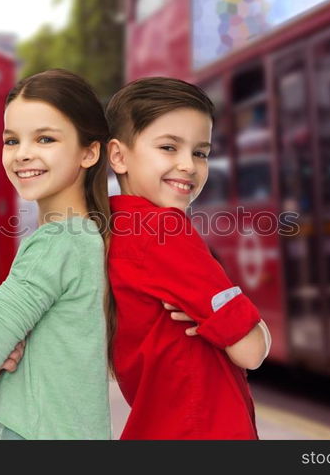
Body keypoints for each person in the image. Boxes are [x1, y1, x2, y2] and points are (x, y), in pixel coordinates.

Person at [0, 69, 112, 440]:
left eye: (45, 138)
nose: (22, 154)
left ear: (89, 152)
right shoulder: (90, 239)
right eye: (11, 140)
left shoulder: (54, 244)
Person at [105, 77, 272, 439]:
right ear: (118, 156)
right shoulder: (165, 230)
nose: (189, 166)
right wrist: (257, 328)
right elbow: (251, 350)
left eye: (200, 152)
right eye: (168, 147)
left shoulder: (112, 230)